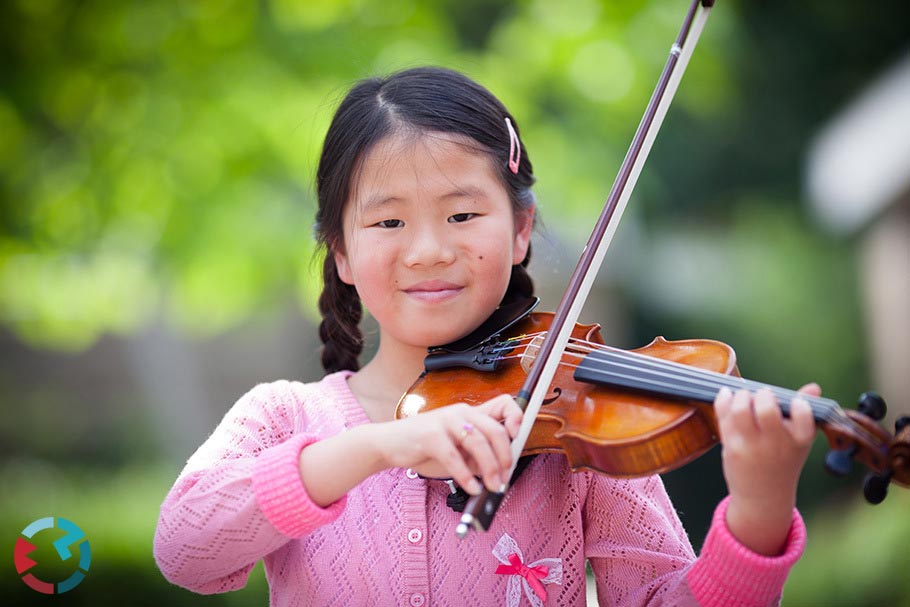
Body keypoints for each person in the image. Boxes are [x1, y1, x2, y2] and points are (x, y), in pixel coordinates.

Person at [153, 66, 819, 607]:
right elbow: (184, 548)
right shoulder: (285, 415)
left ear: (522, 229)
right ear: (342, 254)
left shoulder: (579, 426)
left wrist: (758, 511)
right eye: (388, 223)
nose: (428, 250)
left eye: (463, 213)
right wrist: (382, 445)